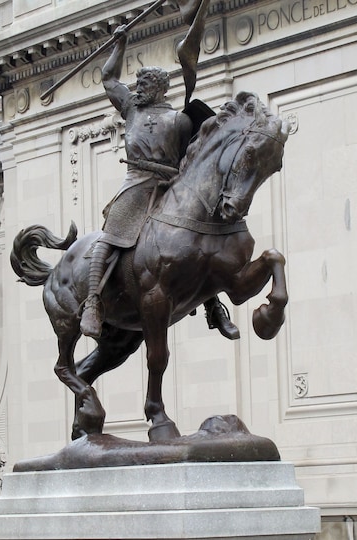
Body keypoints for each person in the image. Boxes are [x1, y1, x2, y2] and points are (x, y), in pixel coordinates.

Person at [79, 18, 238, 341]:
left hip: (168, 186)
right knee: (110, 237)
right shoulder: (131, 109)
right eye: (139, 83)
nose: (139, 88)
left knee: (197, 240)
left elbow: (187, 160)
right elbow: (109, 79)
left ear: (160, 87)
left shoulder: (179, 120)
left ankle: (213, 305)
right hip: (135, 183)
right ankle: (93, 302)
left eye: (146, 83)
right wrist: (119, 45)